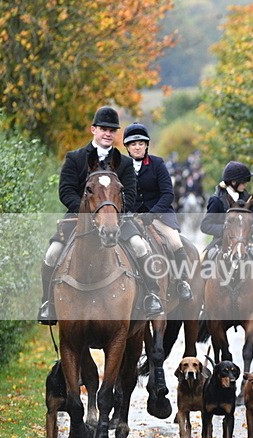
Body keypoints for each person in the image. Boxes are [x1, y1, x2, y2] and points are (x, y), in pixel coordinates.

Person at [37, 106, 164, 325]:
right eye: (103, 129)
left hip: (117, 220)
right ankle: (48, 303)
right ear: (93, 130)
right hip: (78, 219)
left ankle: (150, 296)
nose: (108, 133)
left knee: (140, 247)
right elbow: (65, 191)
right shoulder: (75, 158)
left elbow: (130, 196)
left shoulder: (123, 163)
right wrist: (87, 213)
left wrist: (111, 214)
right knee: (51, 253)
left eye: (112, 130)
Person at [123, 122, 192, 302]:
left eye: (140, 143)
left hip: (159, 215)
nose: (137, 147)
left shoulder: (157, 164)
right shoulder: (122, 167)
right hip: (131, 217)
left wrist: (152, 214)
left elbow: (168, 194)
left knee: (175, 241)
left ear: (146, 145)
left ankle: (182, 281)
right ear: (127, 147)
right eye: (133, 144)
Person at [200, 160, 253, 312]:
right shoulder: (216, 199)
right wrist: (225, 231)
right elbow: (205, 225)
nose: (246, 185)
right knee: (203, 260)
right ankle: (202, 300)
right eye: (243, 182)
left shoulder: (248, 198)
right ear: (233, 182)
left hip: (245, 241)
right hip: (220, 242)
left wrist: (247, 231)